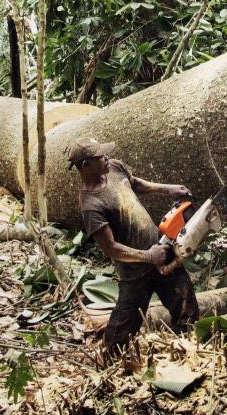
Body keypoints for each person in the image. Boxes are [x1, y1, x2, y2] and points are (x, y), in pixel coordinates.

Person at [69, 137, 199, 356]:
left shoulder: (114, 168)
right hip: (135, 272)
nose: (107, 157)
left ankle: (190, 351)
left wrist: (168, 189)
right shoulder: (91, 205)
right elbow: (110, 247)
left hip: (163, 249)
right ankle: (109, 362)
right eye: (101, 156)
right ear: (86, 166)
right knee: (124, 326)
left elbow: (134, 182)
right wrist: (148, 257)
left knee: (186, 304)